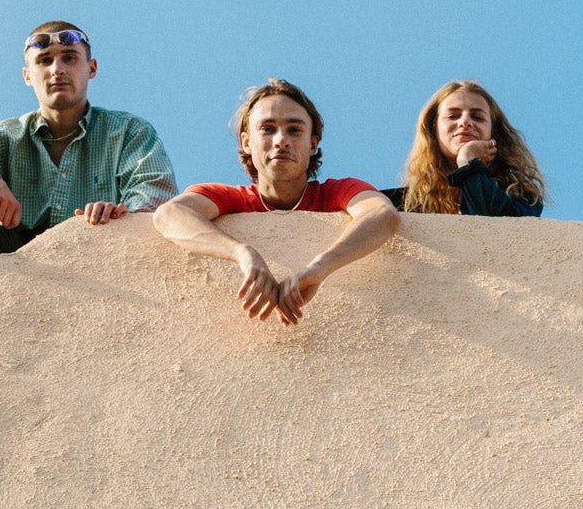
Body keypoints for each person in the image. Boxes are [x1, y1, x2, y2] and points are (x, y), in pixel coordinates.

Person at [0, 22, 177, 257]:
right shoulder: (3, 138)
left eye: (69, 57)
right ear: (27, 75)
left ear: (91, 68)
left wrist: (120, 216)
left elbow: (154, 192)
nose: (57, 69)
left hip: (94, 254)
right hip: (5, 258)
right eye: (45, 61)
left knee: (140, 220)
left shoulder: (128, 131)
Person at [153, 78, 400, 325]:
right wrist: (243, 253)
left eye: (294, 130)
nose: (281, 140)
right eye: (268, 129)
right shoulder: (234, 198)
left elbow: (382, 214)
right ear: (247, 143)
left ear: (312, 144)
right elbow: (170, 214)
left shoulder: (336, 191)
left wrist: (320, 268)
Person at [386, 80, 545, 217]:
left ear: (493, 133)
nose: (465, 122)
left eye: (478, 117)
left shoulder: (521, 195)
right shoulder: (403, 205)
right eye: (453, 116)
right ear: (433, 129)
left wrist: (468, 162)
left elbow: (498, 231)